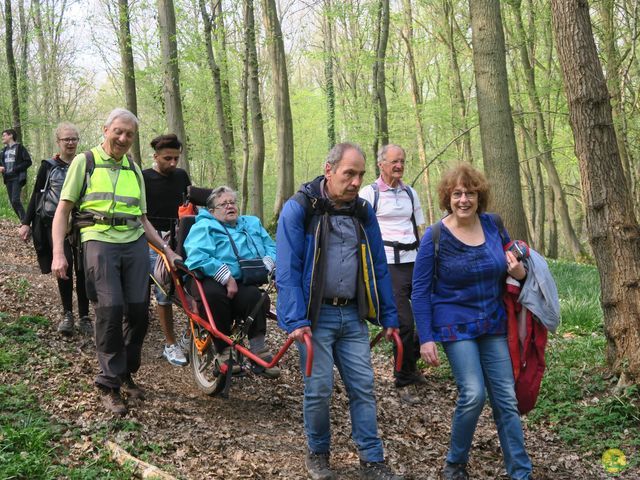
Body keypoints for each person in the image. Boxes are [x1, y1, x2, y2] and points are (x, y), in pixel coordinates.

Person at [276, 142, 405, 480]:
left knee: (363, 386)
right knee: (318, 389)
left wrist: (388, 315)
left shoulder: (362, 212)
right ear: (329, 169)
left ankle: (372, 460)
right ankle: (317, 454)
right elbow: (288, 269)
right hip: (315, 318)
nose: (355, 182)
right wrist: (296, 319)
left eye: (360, 175)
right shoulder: (299, 208)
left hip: (353, 316)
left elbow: (379, 264)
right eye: (349, 173)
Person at [50, 108, 180, 417]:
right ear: (105, 129)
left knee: (138, 312)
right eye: (118, 131)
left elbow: (142, 219)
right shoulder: (86, 162)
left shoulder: (134, 170)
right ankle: (108, 384)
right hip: (97, 239)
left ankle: (125, 372)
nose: (123, 138)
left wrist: (165, 249)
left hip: (133, 241)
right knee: (110, 310)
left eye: (129, 134)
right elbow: (63, 211)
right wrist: (58, 253)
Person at [411, 163, 533, 480]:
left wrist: (519, 272)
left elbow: (513, 264)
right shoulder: (435, 236)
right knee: (474, 394)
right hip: (455, 324)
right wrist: (426, 338)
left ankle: (521, 472)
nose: (464, 200)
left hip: (493, 323)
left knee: (506, 398)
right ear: (447, 197)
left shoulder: (493, 224)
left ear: (480, 197)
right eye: (457, 194)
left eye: (470, 194)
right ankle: (455, 463)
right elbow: (421, 291)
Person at [183, 186, 280, 378]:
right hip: (208, 278)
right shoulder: (204, 226)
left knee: (255, 296)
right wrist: (225, 277)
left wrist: (268, 262)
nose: (230, 206)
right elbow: (196, 257)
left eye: (232, 202)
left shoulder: (251, 223)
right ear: (212, 211)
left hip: (244, 278)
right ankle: (223, 351)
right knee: (213, 295)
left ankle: (258, 351)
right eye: (223, 204)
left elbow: (272, 246)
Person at [359, 144, 426, 405]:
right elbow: (361, 232)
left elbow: (418, 228)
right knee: (404, 323)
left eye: (402, 161)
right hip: (387, 265)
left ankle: (410, 363)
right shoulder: (369, 193)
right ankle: (403, 377)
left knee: (435, 315)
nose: (399, 166)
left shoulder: (410, 193)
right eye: (394, 162)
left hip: (415, 262)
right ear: (381, 164)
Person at [18, 123, 92, 337]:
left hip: (82, 225)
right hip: (55, 225)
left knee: (83, 270)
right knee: (65, 269)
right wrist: (26, 222)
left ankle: (85, 316)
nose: (70, 143)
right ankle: (68, 314)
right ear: (58, 142)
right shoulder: (48, 166)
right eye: (66, 139)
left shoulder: (86, 164)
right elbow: (36, 195)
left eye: (74, 139)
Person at [143, 134, 191, 367]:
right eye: (167, 158)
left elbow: (191, 205)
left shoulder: (181, 176)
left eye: (176, 158)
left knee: (195, 282)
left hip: (179, 236)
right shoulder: (144, 178)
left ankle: (189, 336)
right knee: (163, 286)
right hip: (152, 239)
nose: (173, 163)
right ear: (156, 157)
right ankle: (170, 344)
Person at [0, 128, 32, 221]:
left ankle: (25, 222)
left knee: (15, 200)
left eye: (4, 135)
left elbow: (28, 162)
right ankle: (24, 221)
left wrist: (15, 168)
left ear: (11, 136)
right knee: (13, 202)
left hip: (17, 177)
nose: (2, 137)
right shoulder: (3, 150)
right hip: (7, 178)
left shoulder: (19, 148)